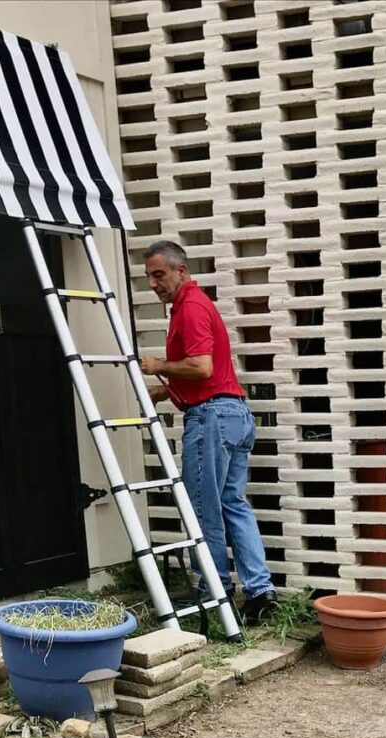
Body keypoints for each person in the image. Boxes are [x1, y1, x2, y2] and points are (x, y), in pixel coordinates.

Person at [139, 240, 278, 626]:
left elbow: (200, 367)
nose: (153, 283)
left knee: (204, 512)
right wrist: (165, 390)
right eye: (149, 276)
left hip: (212, 419)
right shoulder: (195, 306)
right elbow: (210, 373)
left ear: (180, 271)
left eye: (159, 274)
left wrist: (158, 365)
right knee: (233, 504)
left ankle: (214, 593)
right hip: (233, 414)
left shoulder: (191, 308)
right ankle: (260, 592)